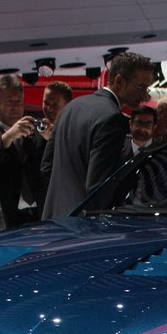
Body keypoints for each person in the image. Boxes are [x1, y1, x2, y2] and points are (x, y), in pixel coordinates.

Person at [40, 51, 155, 219]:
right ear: (119, 81)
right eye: (141, 87)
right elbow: (98, 189)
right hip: (84, 226)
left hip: (55, 219)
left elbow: (46, 167)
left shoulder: (71, 107)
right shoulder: (112, 118)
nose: (145, 95)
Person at [0, 74, 46, 225]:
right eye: (9, 101)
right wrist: (9, 136)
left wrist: (51, 137)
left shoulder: (36, 134)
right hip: (4, 218)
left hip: (39, 215)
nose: (15, 107)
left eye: (19, 101)